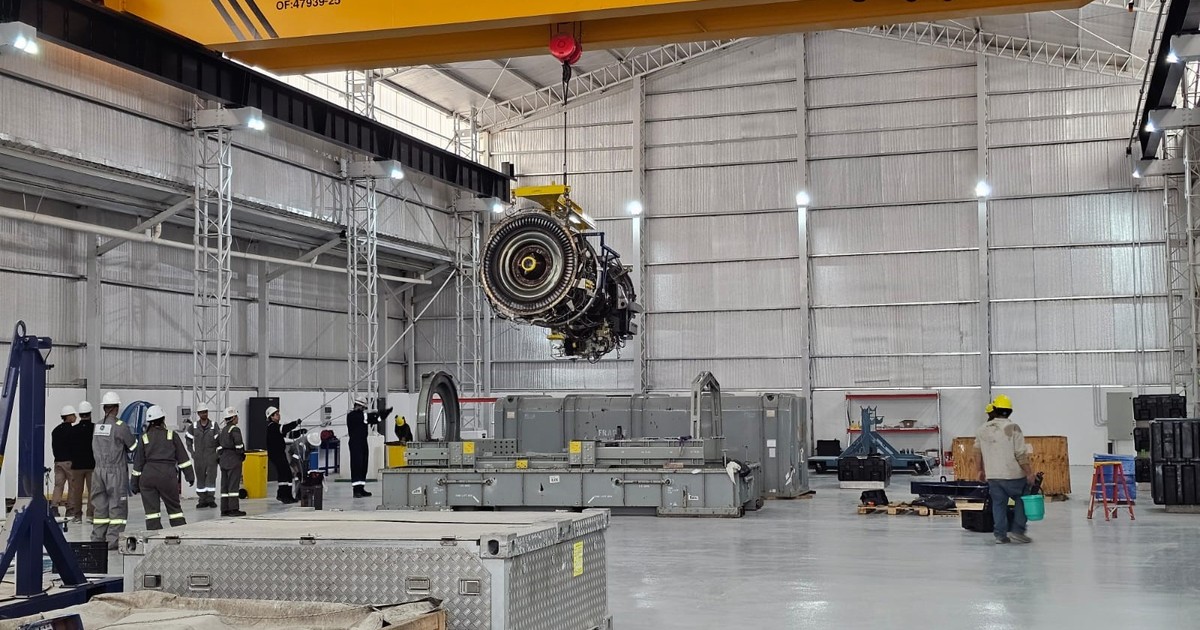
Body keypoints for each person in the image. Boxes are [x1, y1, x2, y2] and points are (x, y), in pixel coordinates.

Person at [973, 394, 1035, 545]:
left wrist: (979, 471)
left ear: (994, 409)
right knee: (1022, 498)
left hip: (993, 476)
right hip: (1013, 475)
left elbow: (977, 452)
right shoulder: (1013, 428)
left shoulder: (982, 429)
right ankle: (1018, 532)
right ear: (1010, 411)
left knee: (998, 504)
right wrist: (1029, 473)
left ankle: (1000, 536)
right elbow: (1020, 454)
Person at [131, 405, 194, 530]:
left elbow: (138, 464)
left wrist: (134, 483)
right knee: (174, 510)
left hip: (148, 477)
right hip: (167, 476)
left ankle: (154, 536)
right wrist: (189, 476)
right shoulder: (171, 435)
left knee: (152, 513)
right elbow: (183, 459)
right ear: (163, 419)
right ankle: (180, 532)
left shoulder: (144, 437)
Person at [90, 391, 136, 550]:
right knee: (117, 507)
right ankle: (112, 541)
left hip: (98, 472)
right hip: (115, 472)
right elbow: (133, 446)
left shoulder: (97, 426)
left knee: (100, 507)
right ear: (116, 408)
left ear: (104, 408)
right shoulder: (120, 426)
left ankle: (97, 540)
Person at [347, 398, 391, 498]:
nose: (363, 409)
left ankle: (361, 488)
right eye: (363, 407)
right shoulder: (352, 416)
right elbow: (370, 417)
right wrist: (380, 414)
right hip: (355, 443)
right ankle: (356, 490)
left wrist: (383, 415)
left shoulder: (362, 416)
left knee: (363, 465)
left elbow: (374, 419)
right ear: (359, 406)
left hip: (363, 442)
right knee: (357, 465)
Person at [184, 404, 219, 509]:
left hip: (211, 457)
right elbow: (188, 440)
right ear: (198, 414)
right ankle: (202, 500)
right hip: (198, 458)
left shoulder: (214, 426)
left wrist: (217, 454)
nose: (204, 414)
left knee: (211, 479)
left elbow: (219, 440)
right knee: (200, 479)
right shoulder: (194, 426)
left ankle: (210, 499)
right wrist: (192, 452)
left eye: (206, 412)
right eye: (202, 412)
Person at [265, 406, 301, 504]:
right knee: (285, 474)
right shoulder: (272, 426)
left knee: (286, 474)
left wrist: (299, 432)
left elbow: (289, 435)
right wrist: (295, 423)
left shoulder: (276, 427)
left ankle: (285, 495)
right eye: (276, 414)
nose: (279, 415)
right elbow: (285, 428)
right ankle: (284, 496)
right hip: (276, 454)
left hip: (279, 453)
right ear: (271, 417)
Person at [68, 400, 96, 524]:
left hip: (77, 466)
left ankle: (77, 516)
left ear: (79, 414)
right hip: (92, 465)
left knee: (77, 492)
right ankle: (90, 515)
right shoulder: (95, 428)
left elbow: (70, 447)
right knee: (92, 492)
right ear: (90, 413)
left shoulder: (73, 430)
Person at [217, 407, 246, 517]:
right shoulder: (235, 429)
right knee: (233, 485)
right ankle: (234, 509)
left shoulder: (222, 430)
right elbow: (239, 445)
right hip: (233, 459)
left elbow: (218, 446)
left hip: (223, 459)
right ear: (233, 417)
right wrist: (242, 454)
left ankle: (224, 509)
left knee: (224, 485)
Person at [50, 405, 76, 518]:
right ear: (68, 416)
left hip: (58, 462)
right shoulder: (72, 431)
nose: (75, 417)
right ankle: (70, 509)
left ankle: (54, 507)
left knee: (58, 486)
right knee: (72, 486)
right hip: (69, 462)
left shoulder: (55, 430)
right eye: (73, 415)